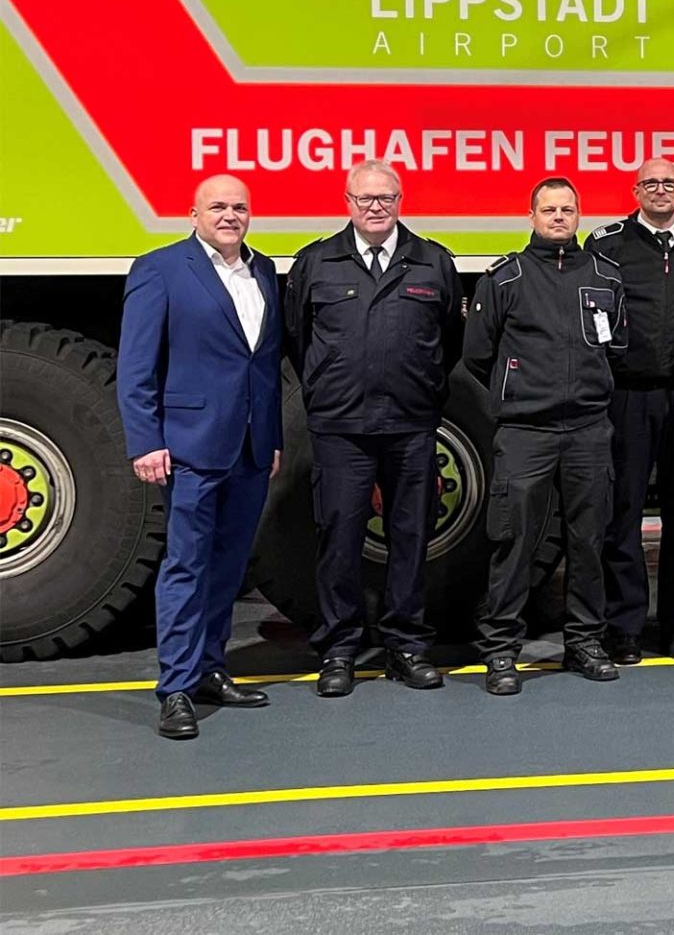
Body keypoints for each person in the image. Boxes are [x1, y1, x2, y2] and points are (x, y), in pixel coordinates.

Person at [284, 159, 462, 698]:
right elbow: (296, 338)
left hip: (411, 424)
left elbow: (450, 340)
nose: (376, 207)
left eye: (385, 197)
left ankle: (406, 645)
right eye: (365, 198)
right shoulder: (316, 263)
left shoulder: (432, 262)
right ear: (347, 202)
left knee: (411, 536)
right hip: (342, 428)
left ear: (401, 199)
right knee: (339, 536)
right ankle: (339, 650)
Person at [119, 174, 283, 740]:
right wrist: (145, 440)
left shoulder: (263, 271)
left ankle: (212, 668)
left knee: (229, 568)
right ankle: (177, 688)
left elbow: (262, 365)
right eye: (218, 206)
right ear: (193, 214)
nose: (230, 215)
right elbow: (137, 366)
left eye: (239, 207)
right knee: (187, 565)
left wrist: (274, 437)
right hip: (189, 445)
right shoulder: (160, 269)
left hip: (251, 447)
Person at [465, 178, 628, 695]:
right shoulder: (505, 278)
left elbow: (616, 349)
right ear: (531, 215)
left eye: (568, 209)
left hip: (588, 431)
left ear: (580, 215)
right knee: (512, 542)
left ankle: (583, 643)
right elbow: (477, 354)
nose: (559, 217)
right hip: (525, 433)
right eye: (549, 209)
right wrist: (520, 394)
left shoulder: (606, 276)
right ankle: (501, 651)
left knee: (588, 541)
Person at [586, 159, 674, 664]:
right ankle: (624, 628)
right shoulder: (607, 244)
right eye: (650, 183)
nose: (660, 191)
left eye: (669, 183)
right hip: (627, 397)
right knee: (622, 515)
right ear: (635, 190)